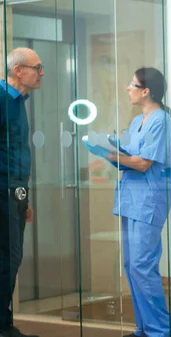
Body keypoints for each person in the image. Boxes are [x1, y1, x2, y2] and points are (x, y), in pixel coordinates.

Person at [107, 67, 171, 337]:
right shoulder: (139, 121)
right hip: (130, 200)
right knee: (131, 266)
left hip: (148, 202)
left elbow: (143, 162)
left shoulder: (160, 120)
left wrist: (116, 157)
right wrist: (112, 153)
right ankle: (144, 329)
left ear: (146, 91)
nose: (128, 89)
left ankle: (160, 331)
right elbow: (130, 157)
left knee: (143, 266)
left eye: (132, 84)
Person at [0, 48, 43, 337]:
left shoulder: (19, 102)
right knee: (6, 259)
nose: (41, 73)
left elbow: (17, 155)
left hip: (13, 195)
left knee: (12, 259)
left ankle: (5, 325)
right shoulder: (2, 100)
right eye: (37, 68)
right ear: (18, 70)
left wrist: (23, 199)